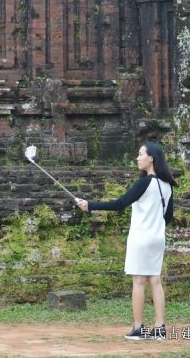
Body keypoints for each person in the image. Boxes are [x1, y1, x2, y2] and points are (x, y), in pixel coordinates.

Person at [75, 141, 176, 341]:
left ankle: (139, 328)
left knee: (138, 281)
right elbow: (168, 215)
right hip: (157, 239)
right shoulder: (167, 185)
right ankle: (160, 328)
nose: (137, 158)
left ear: (151, 158)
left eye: (141, 154)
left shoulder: (145, 182)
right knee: (155, 281)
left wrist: (90, 205)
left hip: (141, 238)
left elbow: (121, 203)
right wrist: (155, 224)